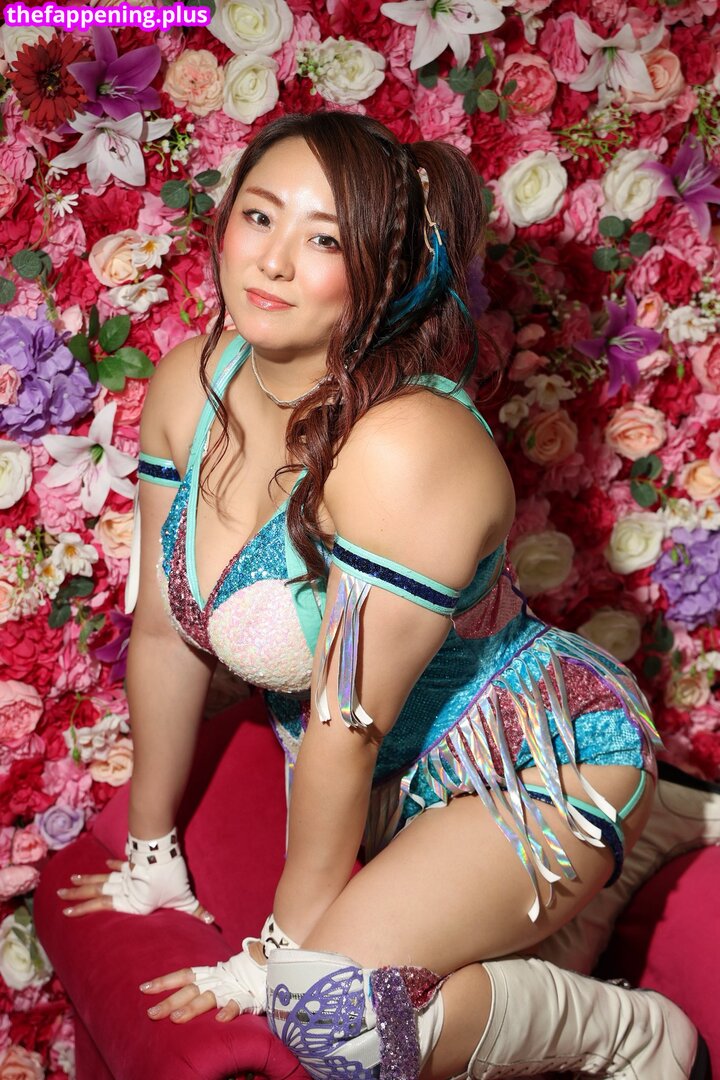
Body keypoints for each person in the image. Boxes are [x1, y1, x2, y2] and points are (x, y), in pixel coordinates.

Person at [56, 111, 718, 1079]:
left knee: (330, 1020)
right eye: (259, 216)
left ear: (385, 273)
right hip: (383, 791)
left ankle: (634, 1032)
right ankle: (623, 866)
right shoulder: (188, 388)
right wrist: (150, 854)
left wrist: (273, 962)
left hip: (535, 765)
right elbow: (163, 632)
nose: (272, 261)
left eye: (324, 240)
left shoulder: (406, 449)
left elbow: (345, 728)